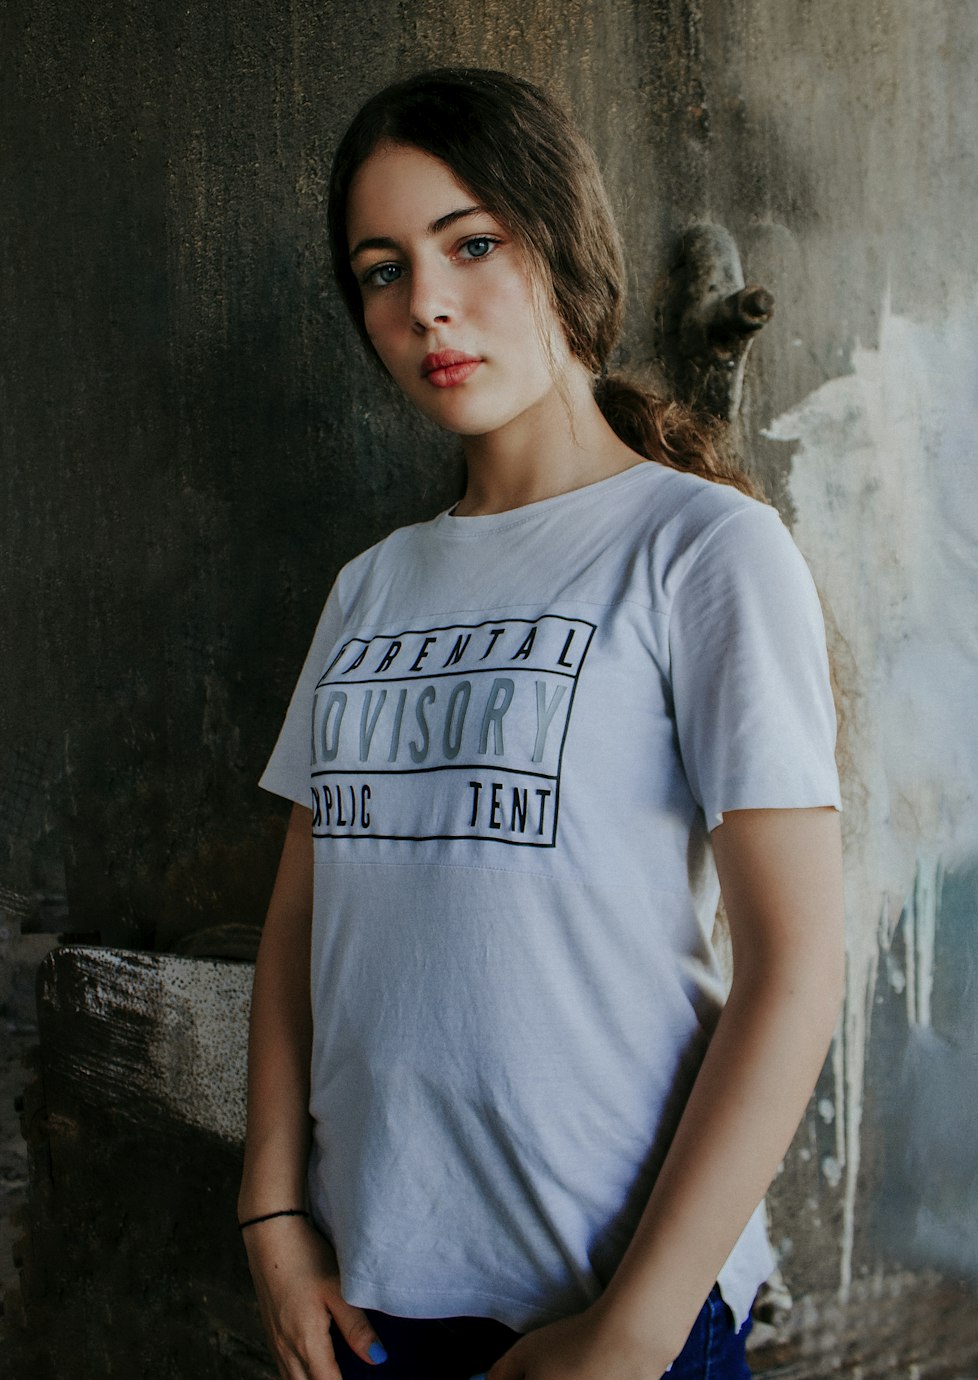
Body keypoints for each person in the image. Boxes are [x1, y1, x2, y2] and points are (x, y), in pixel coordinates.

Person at [238, 67, 844, 1380]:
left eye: (470, 244)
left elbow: (795, 968)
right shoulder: (371, 588)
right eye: (381, 269)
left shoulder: (705, 551)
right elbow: (299, 924)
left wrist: (630, 1333)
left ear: (561, 246)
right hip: (369, 1315)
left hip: (617, 1319)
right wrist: (274, 1219)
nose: (428, 304)